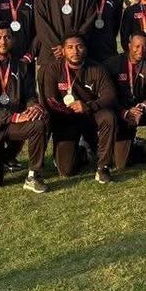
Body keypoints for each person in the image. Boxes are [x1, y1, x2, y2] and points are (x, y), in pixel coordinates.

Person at [0, 21, 49, 191]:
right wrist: (14, 116)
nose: (3, 41)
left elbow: (30, 94)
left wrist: (33, 106)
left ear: (12, 39)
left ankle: (34, 175)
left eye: (7, 37)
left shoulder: (20, 66)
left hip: (12, 124)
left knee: (39, 122)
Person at [40, 32, 118, 182]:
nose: (75, 51)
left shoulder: (96, 68)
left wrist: (88, 106)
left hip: (90, 114)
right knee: (66, 171)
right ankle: (84, 152)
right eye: (70, 47)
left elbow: (110, 95)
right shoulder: (53, 69)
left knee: (108, 117)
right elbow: (50, 100)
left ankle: (103, 167)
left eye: (79, 46)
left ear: (85, 49)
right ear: (63, 51)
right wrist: (68, 111)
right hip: (66, 119)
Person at [107, 31, 146, 176]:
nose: (140, 50)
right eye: (137, 46)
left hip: (144, 110)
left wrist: (143, 106)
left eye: (144, 47)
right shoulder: (113, 64)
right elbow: (109, 95)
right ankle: (140, 146)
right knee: (120, 164)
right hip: (123, 112)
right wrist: (124, 111)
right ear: (129, 45)